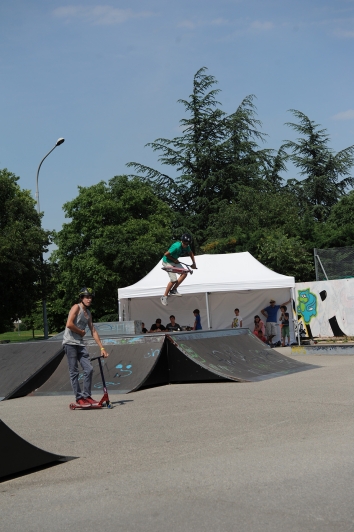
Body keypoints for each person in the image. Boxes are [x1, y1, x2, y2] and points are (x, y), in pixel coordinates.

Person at [62, 287, 109, 407]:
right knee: (74, 372)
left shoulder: (88, 313)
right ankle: (79, 398)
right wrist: (80, 332)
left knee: (89, 369)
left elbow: (93, 330)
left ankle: (87, 395)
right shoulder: (76, 307)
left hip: (80, 344)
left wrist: (102, 348)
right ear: (82, 298)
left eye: (90, 297)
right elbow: (69, 324)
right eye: (87, 297)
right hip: (70, 343)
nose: (89, 299)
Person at [160, 233, 197, 306]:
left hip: (174, 261)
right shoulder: (176, 246)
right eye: (184, 243)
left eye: (187, 243)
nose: (185, 245)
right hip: (167, 261)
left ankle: (173, 290)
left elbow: (191, 253)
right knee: (174, 280)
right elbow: (166, 254)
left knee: (184, 273)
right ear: (182, 241)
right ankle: (164, 296)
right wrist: (174, 260)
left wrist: (194, 263)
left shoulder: (187, 246)